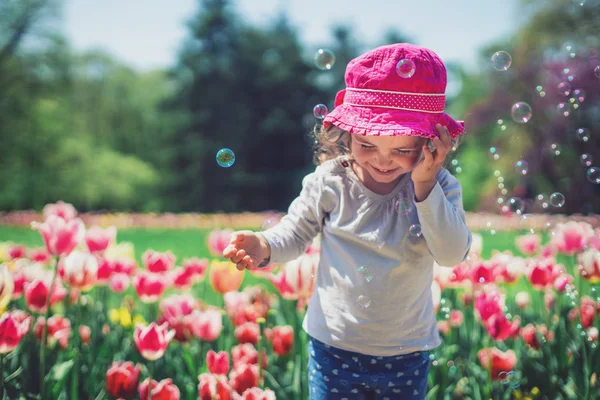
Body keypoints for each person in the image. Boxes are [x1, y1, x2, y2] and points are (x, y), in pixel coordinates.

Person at [222, 43, 472, 400]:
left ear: (431, 141)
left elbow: (450, 254)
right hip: (333, 347)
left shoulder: (440, 187)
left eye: (402, 150)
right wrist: (263, 245)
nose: (383, 161)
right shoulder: (331, 181)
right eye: (367, 145)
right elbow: (294, 233)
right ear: (346, 134)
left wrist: (425, 184)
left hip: (407, 351)